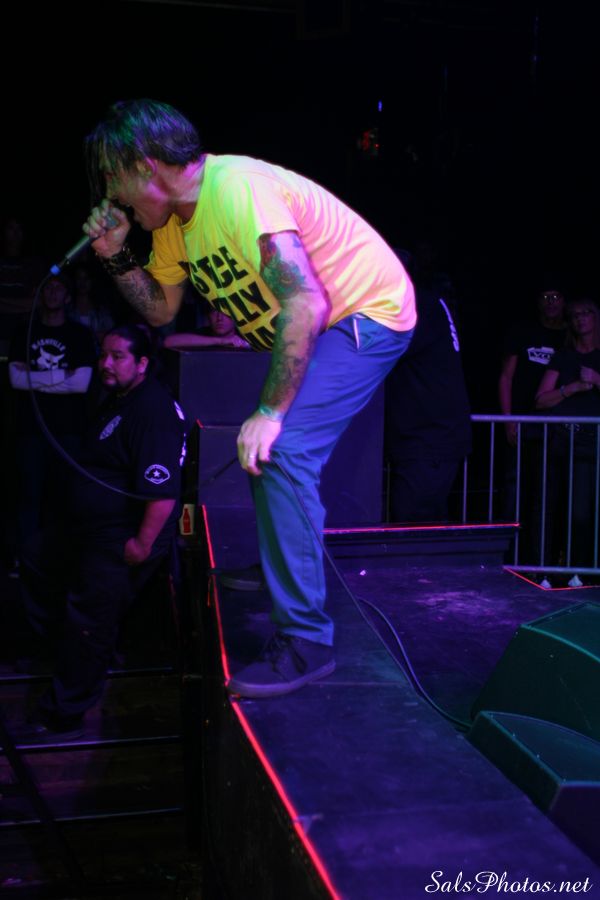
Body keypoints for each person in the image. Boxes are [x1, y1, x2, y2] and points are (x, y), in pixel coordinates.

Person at [83, 99, 416, 698]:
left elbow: (305, 302)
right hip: (320, 322)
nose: (111, 194)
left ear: (144, 165)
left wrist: (268, 411)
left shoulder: (236, 190)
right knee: (267, 451)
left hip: (365, 313)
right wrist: (115, 255)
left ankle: (306, 642)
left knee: (281, 447)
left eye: (112, 176)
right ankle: (282, 564)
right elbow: (160, 310)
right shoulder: (173, 228)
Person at [20, 324, 187, 739]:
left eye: (117, 357)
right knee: (37, 558)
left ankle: (64, 711)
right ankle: (66, 652)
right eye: (103, 355)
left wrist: (141, 544)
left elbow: (162, 493)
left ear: (142, 363)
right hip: (87, 526)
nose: (105, 364)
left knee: (90, 617)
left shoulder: (153, 412)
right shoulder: (118, 398)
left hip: (121, 533)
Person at [8, 274, 97, 564]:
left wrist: (34, 378)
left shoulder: (79, 334)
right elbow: (15, 380)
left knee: (64, 496)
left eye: (59, 288)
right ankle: (24, 560)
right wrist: (63, 376)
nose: (53, 292)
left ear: (68, 297)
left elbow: (81, 384)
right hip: (30, 429)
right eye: (48, 287)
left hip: (69, 428)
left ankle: (57, 561)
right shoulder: (25, 331)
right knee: (28, 495)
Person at [535, 299, 600, 570]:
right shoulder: (564, 357)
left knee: (585, 512)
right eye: (575, 315)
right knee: (566, 510)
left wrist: (596, 380)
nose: (580, 319)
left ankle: (585, 570)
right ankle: (567, 570)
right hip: (566, 441)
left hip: (594, 442)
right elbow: (541, 400)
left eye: (586, 313)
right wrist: (571, 388)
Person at [164, 306, 250, 350]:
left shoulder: (246, 339)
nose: (219, 318)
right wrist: (221, 341)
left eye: (225, 312)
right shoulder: (202, 334)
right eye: (214, 311)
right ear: (208, 316)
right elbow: (168, 342)